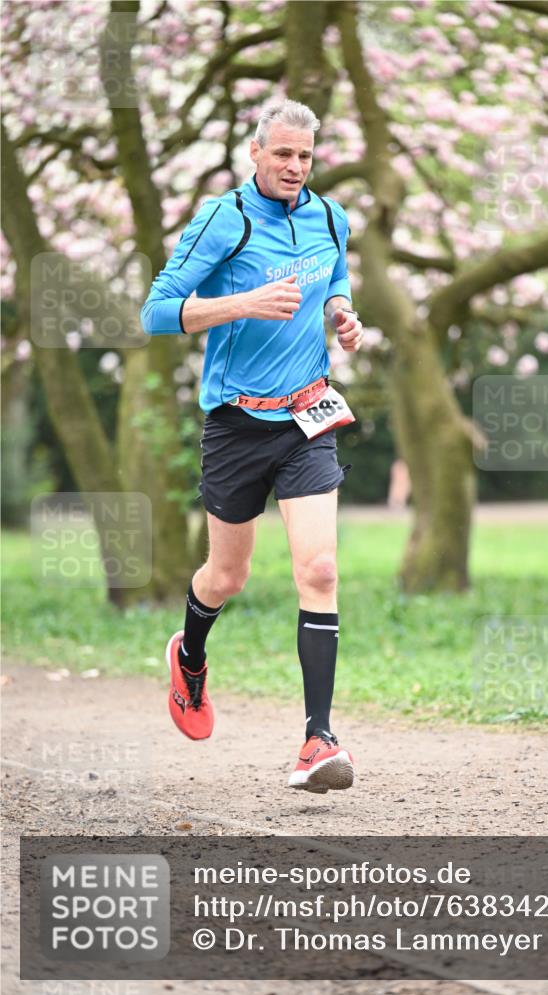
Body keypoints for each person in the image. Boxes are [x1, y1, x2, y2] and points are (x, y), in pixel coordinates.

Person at [140, 99, 363, 794]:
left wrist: (341, 313)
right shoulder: (224, 218)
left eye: (305, 155)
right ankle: (191, 657)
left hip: (306, 414)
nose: (296, 167)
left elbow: (335, 281)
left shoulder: (331, 217)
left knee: (320, 569)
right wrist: (241, 303)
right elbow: (155, 312)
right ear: (256, 153)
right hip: (237, 424)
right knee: (226, 576)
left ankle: (316, 739)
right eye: (283, 154)